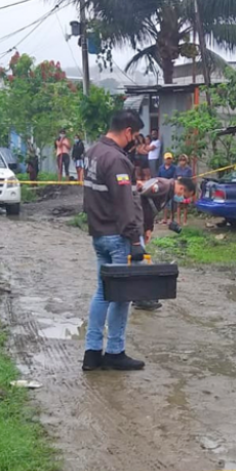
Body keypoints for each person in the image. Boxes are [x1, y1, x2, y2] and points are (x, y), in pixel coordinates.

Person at [83, 110, 148, 372]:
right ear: (128, 132)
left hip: (98, 234)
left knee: (102, 292)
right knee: (122, 295)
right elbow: (124, 205)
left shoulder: (92, 153)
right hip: (118, 237)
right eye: (135, 136)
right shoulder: (117, 159)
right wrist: (134, 240)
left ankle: (92, 353)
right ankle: (115, 352)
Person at [132, 176, 197, 312]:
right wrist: (137, 225)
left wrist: (148, 228)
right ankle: (141, 297)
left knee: (138, 261)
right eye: (184, 195)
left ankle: (140, 296)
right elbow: (138, 194)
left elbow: (150, 207)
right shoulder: (163, 186)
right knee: (140, 262)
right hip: (133, 224)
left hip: (140, 225)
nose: (182, 198)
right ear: (181, 188)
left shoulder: (167, 192)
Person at [174, 155, 195, 225]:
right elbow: (174, 178)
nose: (182, 161)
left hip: (186, 189)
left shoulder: (189, 169)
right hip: (179, 189)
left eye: (183, 160)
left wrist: (182, 178)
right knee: (179, 205)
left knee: (185, 205)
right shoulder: (177, 168)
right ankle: (178, 220)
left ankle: (185, 221)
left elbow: (190, 179)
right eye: (180, 160)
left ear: (186, 161)